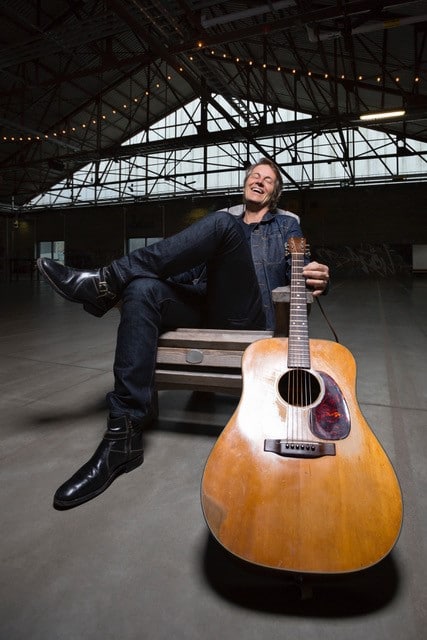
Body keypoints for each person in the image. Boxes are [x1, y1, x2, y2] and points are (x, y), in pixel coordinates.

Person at [37, 158, 329, 510]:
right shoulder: (219, 227)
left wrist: (317, 277)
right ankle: (122, 438)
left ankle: (104, 281)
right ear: (245, 183)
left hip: (251, 318)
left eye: (268, 179)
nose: (259, 180)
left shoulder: (285, 228)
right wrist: (145, 282)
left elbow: (303, 271)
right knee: (143, 289)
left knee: (222, 224)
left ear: (274, 192)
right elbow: (186, 275)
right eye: (254, 175)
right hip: (208, 308)